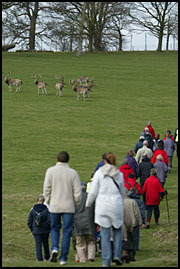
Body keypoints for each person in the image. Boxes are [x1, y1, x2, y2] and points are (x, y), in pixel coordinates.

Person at [86, 152, 125, 267]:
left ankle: (106, 260)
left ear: (105, 161)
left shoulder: (99, 173)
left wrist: (88, 203)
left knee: (105, 233)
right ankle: (117, 254)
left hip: (103, 205)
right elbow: (122, 192)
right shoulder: (119, 174)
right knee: (117, 231)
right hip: (116, 204)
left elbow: (93, 192)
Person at [43, 151, 82, 265]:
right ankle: (63, 258)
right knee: (67, 231)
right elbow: (77, 192)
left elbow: (46, 190)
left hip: (54, 205)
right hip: (68, 206)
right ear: (68, 160)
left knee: (54, 228)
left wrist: (48, 201)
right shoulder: (72, 173)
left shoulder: (50, 171)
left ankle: (54, 248)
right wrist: (75, 202)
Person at [74, 181, 96, 263]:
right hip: (90, 222)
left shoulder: (75, 199)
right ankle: (91, 257)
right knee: (91, 241)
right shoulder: (90, 197)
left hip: (78, 223)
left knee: (80, 243)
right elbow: (94, 210)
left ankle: (82, 259)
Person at [27, 194, 50, 262]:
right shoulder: (46, 210)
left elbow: (29, 221)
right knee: (46, 244)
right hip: (45, 230)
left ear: (37, 201)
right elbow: (49, 220)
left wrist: (32, 228)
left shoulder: (32, 210)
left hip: (36, 230)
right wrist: (48, 228)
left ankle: (39, 258)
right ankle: (47, 257)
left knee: (38, 245)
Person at [123, 188, 142, 262]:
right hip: (133, 223)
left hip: (123, 224)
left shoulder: (120, 202)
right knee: (133, 239)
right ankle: (132, 254)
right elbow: (137, 213)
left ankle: (126, 252)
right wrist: (140, 222)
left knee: (125, 239)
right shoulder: (133, 202)